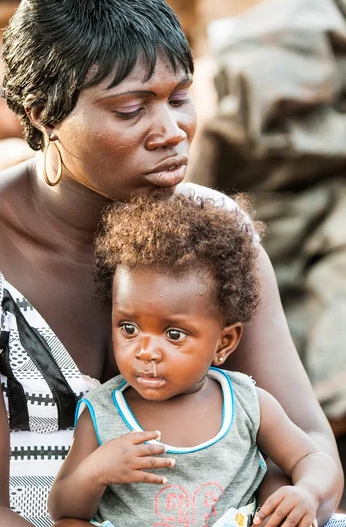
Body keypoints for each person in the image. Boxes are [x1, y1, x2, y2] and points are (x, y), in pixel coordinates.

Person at [0, 0, 343, 527]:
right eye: (131, 109)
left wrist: (282, 504)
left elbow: (306, 442)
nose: (171, 132)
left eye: (180, 98)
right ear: (42, 115)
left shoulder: (214, 234)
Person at [47, 192, 338, 527]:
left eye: (174, 335)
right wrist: (96, 471)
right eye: (128, 328)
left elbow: (312, 457)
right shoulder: (103, 413)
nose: (146, 351)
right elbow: (63, 508)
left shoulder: (246, 404)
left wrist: (308, 493)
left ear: (224, 343)